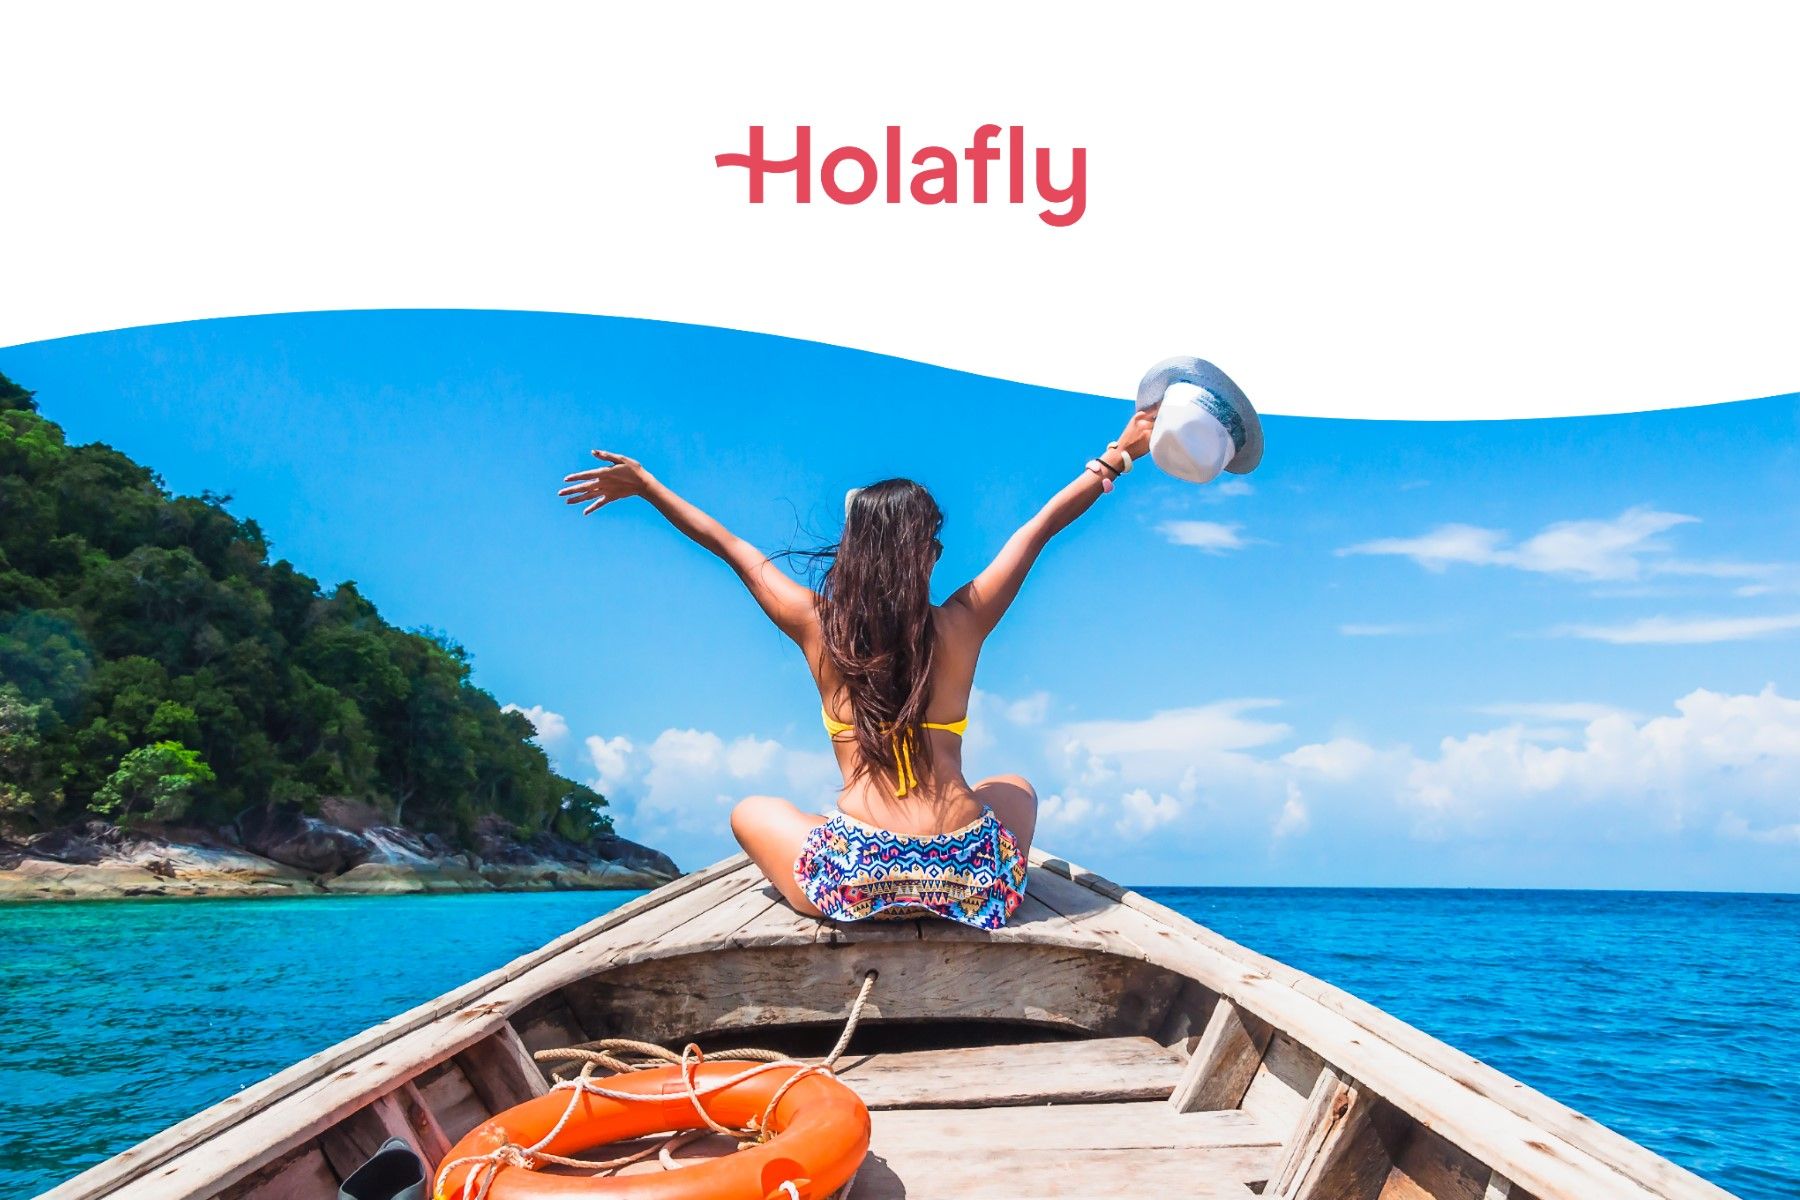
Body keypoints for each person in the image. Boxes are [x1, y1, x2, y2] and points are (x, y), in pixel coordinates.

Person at [558, 403, 1157, 929]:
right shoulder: (961, 622)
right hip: (972, 885)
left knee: (752, 811)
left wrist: (645, 485)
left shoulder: (817, 623)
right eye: (937, 545)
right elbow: (1041, 527)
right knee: (1016, 789)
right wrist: (1118, 455)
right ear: (919, 554)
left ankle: (858, 830)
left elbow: (727, 544)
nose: (942, 555)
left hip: (853, 879)